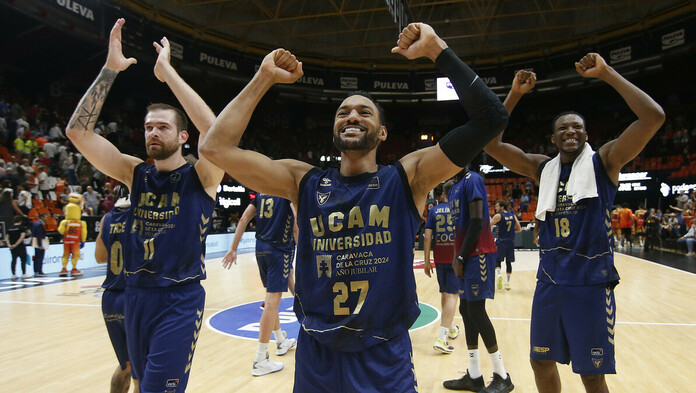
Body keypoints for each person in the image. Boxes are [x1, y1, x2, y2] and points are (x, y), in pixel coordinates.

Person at [200, 22, 509, 393]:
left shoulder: (408, 177)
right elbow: (214, 148)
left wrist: (437, 49)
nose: (352, 116)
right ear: (334, 129)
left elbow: (492, 118)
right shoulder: (303, 180)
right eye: (343, 112)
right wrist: (263, 77)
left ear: (381, 133)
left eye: (365, 112)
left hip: (383, 352)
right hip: (317, 350)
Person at [484, 53, 665, 393]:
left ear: (586, 135)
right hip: (551, 279)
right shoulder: (542, 168)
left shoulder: (605, 162)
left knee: (591, 374)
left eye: (577, 127)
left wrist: (607, 73)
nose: (570, 131)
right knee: (540, 361)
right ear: (552, 139)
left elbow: (653, 116)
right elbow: (491, 143)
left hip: (590, 283)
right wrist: (515, 95)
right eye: (563, 128)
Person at [65, 19, 224, 392]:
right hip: (135, 294)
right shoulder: (134, 172)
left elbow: (217, 132)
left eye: (163, 127)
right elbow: (78, 132)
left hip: (179, 299)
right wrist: (109, 70)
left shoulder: (202, 176)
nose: (153, 132)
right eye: (149, 127)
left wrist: (167, 74)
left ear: (184, 136)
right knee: (138, 384)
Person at [443, 169, 514, 392]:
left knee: (476, 311)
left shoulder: (472, 179)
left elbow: (475, 221)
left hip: (478, 253)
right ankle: (474, 375)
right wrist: (457, 256)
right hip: (465, 254)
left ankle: (502, 375)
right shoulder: (453, 187)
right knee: (465, 309)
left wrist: (461, 256)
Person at [222, 193, 298, 376]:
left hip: (261, 248)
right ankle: (260, 359)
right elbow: (295, 223)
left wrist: (233, 248)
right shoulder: (286, 193)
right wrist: (303, 250)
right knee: (272, 302)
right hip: (279, 249)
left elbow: (243, 219)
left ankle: (280, 340)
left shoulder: (261, 195)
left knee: (277, 292)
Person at [95, 185, 139, 393]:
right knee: (141, 371)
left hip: (111, 297)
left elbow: (100, 257)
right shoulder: (142, 216)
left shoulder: (107, 219)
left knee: (125, 366)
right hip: (135, 296)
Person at [424, 181, 460, 354]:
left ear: (442, 194)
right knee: (453, 295)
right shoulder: (459, 209)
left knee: (445, 292)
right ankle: (442, 337)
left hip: (439, 258)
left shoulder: (433, 210)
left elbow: (427, 237)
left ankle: (451, 326)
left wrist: (426, 261)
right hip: (454, 257)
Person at [490, 199, 522, 290]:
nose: (495, 208)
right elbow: (519, 229)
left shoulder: (498, 216)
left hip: (501, 241)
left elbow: (488, 225)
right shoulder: (513, 216)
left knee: (498, 261)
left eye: (497, 206)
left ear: (502, 207)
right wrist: (511, 231)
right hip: (511, 241)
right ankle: (508, 283)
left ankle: (499, 275)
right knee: (509, 262)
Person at [57, 193, 87, 277]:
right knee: (75, 255)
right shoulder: (81, 223)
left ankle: (63, 269)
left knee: (65, 255)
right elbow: (84, 233)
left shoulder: (64, 222)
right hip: (75, 242)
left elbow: (60, 231)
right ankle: (74, 269)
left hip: (66, 241)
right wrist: (83, 241)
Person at [5, 215, 30, 280]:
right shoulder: (21, 228)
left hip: (12, 247)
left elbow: (6, 238)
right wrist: (16, 244)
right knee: (23, 260)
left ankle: (13, 274)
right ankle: (24, 273)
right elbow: (22, 237)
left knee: (14, 260)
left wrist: (9, 245)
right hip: (20, 246)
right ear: (21, 221)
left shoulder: (9, 228)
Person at [31, 212, 48, 277]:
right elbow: (39, 235)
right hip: (39, 243)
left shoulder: (37, 223)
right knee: (39, 257)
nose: (47, 218)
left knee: (37, 257)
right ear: (42, 217)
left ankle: (36, 271)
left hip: (36, 242)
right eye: (46, 217)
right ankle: (39, 271)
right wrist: (40, 244)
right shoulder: (39, 224)